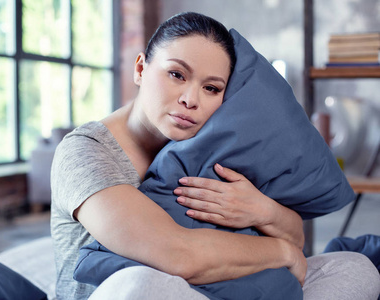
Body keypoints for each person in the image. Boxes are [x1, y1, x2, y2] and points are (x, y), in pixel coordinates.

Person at [51, 12, 380, 300]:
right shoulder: (85, 152)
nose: (191, 99)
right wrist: (282, 252)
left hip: (218, 288)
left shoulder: (213, 144)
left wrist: (261, 210)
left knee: (354, 267)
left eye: (211, 88)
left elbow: (297, 236)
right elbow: (176, 255)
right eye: (177, 74)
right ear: (140, 68)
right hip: (136, 292)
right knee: (143, 285)